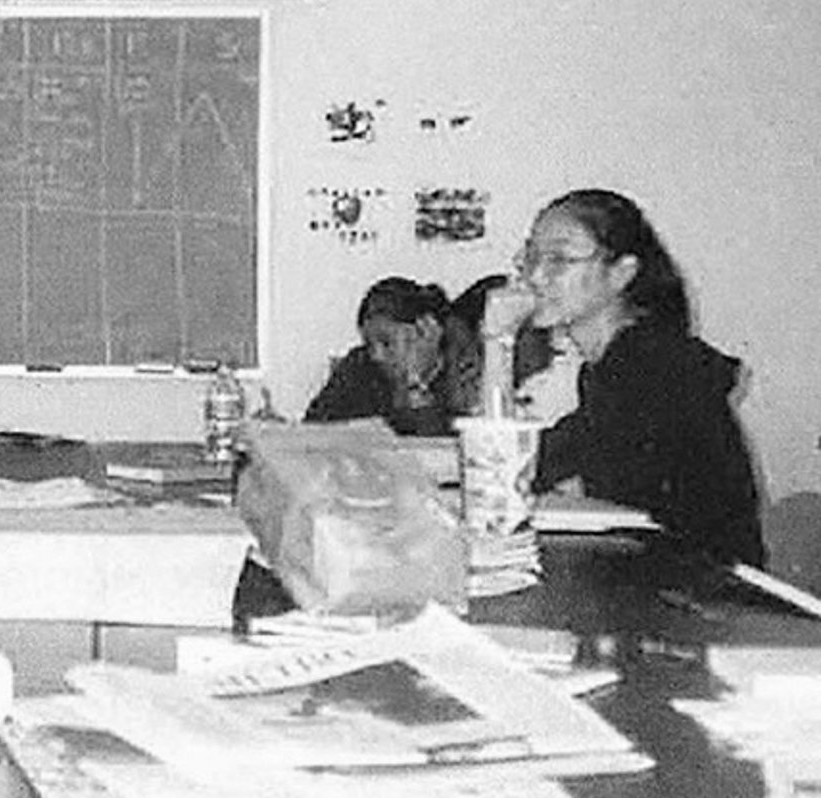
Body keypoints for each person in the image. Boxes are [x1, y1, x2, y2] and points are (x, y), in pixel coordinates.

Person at [488, 188, 764, 564]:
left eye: (559, 259)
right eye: (531, 256)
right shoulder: (611, 365)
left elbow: (507, 471)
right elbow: (516, 466)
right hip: (659, 578)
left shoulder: (650, 365)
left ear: (621, 273)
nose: (536, 276)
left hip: (706, 594)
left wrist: (497, 341)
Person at [303, 276, 480, 437]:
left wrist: (414, 383)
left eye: (387, 343)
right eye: (369, 344)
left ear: (424, 330)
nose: (376, 355)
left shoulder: (465, 372)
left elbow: (438, 448)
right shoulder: (358, 366)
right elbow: (313, 430)